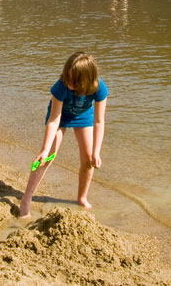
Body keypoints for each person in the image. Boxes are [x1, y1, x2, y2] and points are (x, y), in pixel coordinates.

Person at [18, 51, 108, 219]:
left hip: (83, 117)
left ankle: (82, 197)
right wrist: (45, 150)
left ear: (86, 80)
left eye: (73, 81)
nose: (68, 83)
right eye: (67, 78)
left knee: (88, 160)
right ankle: (26, 198)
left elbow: (99, 122)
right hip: (60, 116)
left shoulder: (99, 88)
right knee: (46, 158)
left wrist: (97, 151)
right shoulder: (61, 86)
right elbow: (53, 120)